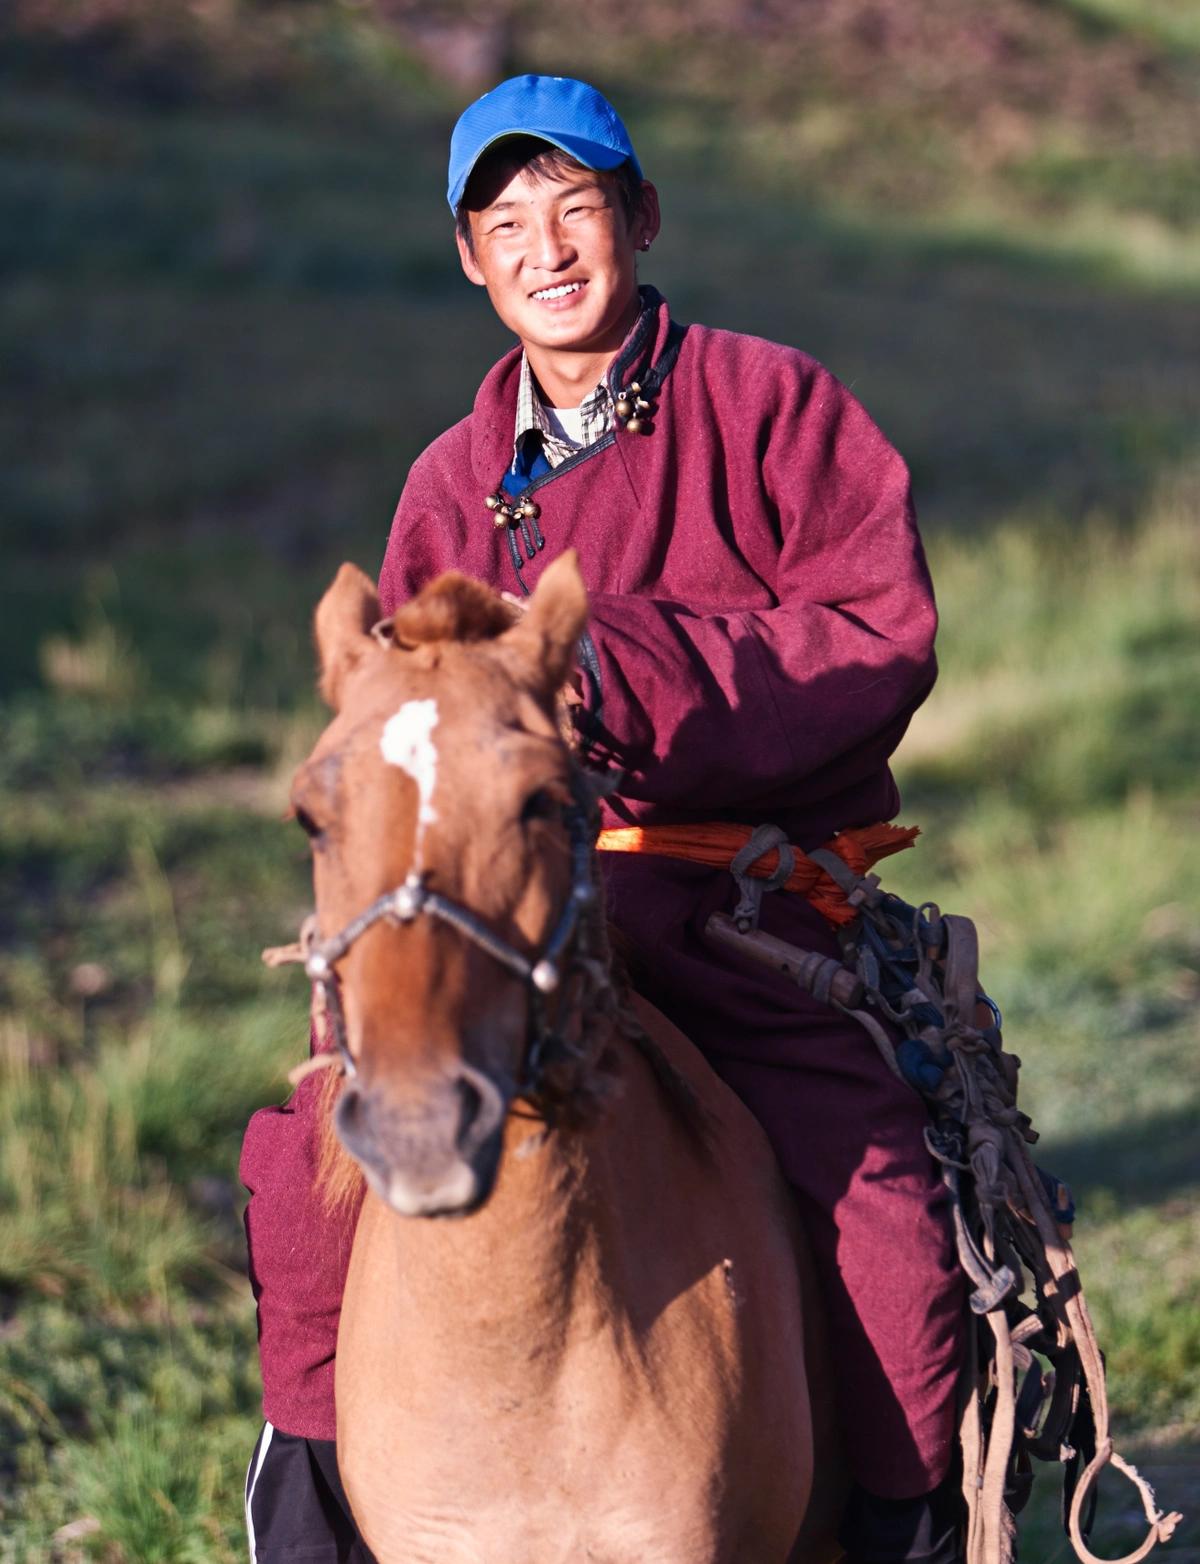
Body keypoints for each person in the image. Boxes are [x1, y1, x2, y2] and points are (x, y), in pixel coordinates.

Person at [241, 73, 965, 1564]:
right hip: (498, 919)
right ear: (469, 259)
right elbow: (402, 720)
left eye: (575, 206)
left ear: (639, 216)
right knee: (302, 1158)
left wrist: (625, 668)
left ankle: (914, 1521)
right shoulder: (450, 483)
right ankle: (303, 1499)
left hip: (729, 916)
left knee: (882, 1213)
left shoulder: (774, 408)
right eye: (507, 222)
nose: (546, 247)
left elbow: (880, 629)